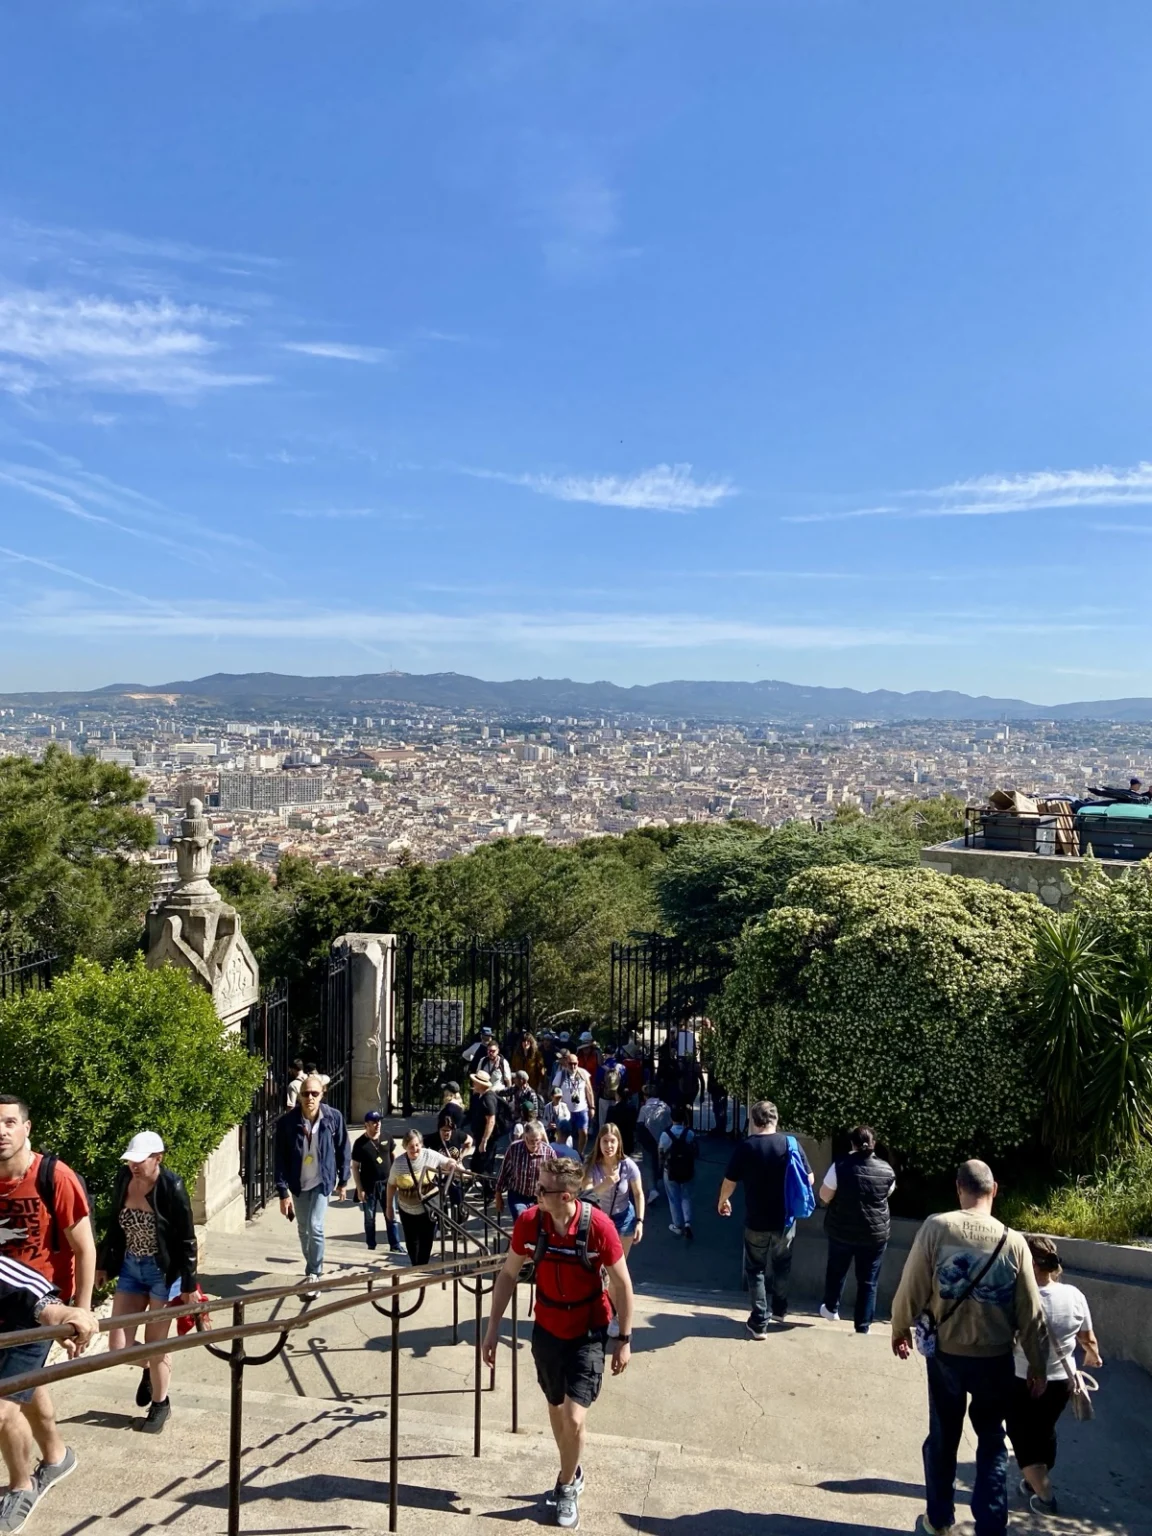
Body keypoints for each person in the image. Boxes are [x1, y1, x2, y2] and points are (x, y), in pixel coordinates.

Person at [891, 1159, 1048, 1536]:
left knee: (943, 1436)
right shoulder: (1013, 1242)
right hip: (995, 1358)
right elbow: (1031, 1312)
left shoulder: (937, 1227)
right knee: (993, 1440)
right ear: (994, 1191)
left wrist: (900, 1328)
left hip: (947, 1353)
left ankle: (940, 1520)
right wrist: (1038, 1367)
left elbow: (911, 1285)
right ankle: (991, 1525)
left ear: (958, 1188)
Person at [481, 1157, 634, 1530]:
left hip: (588, 1331)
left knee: (574, 1416)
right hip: (548, 1328)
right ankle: (572, 1466)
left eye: (541, 1190)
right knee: (555, 1406)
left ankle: (566, 1486)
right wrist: (491, 1328)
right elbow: (507, 1275)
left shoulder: (599, 1227)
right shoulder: (530, 1222)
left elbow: (622, 1285)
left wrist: (624, 1337)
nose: (534, 1195)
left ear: (564, 1195)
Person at [95, 1131, 199, 1434]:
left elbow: (187, 1240)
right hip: (130, 1268)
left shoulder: (172, 1186)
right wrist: (104, 1264)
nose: (134, 1166)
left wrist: (189, 1285)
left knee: (158, 1345)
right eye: (131, 1161)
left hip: (162, 1274)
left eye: (141, 1161)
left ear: (158, 1158)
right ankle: (151, 1372)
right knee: (117, 1347)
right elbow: (114, 1224)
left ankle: (161, 1403)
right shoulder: (123, 1179)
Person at [0, 1252, 98, 1534]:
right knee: (27, 1389)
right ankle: (57, 1457)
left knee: (4, 1409)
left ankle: (22, 1486)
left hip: (26, 1322)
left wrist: (60, 1312)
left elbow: (14, 1277)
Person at [1006, 1235, 1102, 1517]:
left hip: (1023, 1378)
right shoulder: (1074, 1294)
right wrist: (1092, 1354)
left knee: (1022, 1437)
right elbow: (1088, 1338)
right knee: (1044, 1431)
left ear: (1028, 1263)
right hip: (1063, 1381)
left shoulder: (1018, 1296)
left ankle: (1046, 1496)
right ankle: (1033, 1481)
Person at [717, 1100, 813, 1337]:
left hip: (756, 1220)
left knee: (755, 1268)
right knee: (782, 1265)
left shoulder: (746, 1147)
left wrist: (723, 1200)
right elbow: (809, 1179)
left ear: (753, 1121)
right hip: (785, 1220)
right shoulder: (791, 1144)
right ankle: (780, 1308)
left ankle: (760, 1321)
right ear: (775, 1120)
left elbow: (730, 1180)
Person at [0, 1097, 95, 1313]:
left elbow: (84, 1248)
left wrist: (82, 1311)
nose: (2, 1131)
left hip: (43, 1307)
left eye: (10, 1123)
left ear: (27, 1128)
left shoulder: (55, 1176)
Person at [274, 1074, 350, 1297]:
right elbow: (280, 1159)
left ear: (322, 1094)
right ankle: (312, 1266)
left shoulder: (333, 1118)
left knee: (315, 1227)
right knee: (303, 1229)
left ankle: (314, 1272)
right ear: (299, 1096)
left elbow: (343, 1148)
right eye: (305, 1094)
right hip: (298, 1183)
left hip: (322, 1181)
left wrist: (343, 1181)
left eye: (314, 1094)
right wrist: (282, 1192)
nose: (310, 1098)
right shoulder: (287, 1123)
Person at [818, 1126, 896, 1333]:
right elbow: (886, 1193)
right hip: (874, 1233)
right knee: (868, 1280)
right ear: (874, 1144)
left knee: (836, 1270)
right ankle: (863, 1325)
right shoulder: (887, 1170)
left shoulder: (840, 1166)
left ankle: (831, 1307)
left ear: (852, 1144)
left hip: (841, 1229)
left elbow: (825, 1196)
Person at [384, 1129, 460, 1266]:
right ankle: (415, 1265)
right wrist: (389, 1207)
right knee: (412, 1242)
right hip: (407, 1211)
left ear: (421, 1144)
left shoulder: (429, 1155)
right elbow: (391, 1185)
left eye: (417, 1145)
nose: (415, 1149)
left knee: (427, 1240)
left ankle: (422, 1266)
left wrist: (451, 1163)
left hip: (428, 1210)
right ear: (405, 1147)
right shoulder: (398, 1164)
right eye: (411, 1146)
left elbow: (446, 1161)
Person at [583, 1123, 645, 1277]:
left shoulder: (628, 1165)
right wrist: (605, 1184)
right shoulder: (592, 1165)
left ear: (619, 1143)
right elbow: (586, 1193)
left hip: (624, 1219)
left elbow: (638, 1194)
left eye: (612, 1141)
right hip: (599, 1220)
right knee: (598, 1265)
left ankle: (614, 1299)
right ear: (599, 1142)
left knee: (618, 1268)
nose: (609, 1146)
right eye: (605, 1141)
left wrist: (639, 1221)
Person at [351, 1111, 401, 1254]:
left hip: (387, 1184)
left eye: (379, 1121)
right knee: (369, 1218)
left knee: (390, 1215)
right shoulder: (360, 1143)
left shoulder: (386, 1137)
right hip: (369, 1186)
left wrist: (396, 1179)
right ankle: (371, 1245)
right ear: (366, 1125)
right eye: (374, 1122)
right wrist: (360, 1188)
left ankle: (395, 1244)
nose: (377, 1124)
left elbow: (393, 1157)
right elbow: (355, 1167)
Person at [494, 1120, 556, 1222]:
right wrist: (498, 1195)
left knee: (539, 1226)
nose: (535, 1144)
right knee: (522, 1219)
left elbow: (554, 1178)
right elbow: (504, 1172)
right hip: (518, 1195)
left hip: (539, 1197)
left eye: (538, 1140)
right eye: (531, 1141)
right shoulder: (514, 1149)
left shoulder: (549, 1152)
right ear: (525, 1137)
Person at [658, 1105, 697, 1240]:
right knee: (686, 1196)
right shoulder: (690, 1133)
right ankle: (687, 1222)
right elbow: (695, 1151)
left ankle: (677, 1225)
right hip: (687, 1169)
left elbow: (661, 1152)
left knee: (673, 1198)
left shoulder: (665, 1135)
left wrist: (660, 1166)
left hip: (670, 1170)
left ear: (671, 1119)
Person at [553, 1051, 595, 1155]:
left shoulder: (583, 1073)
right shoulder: (560, 1075)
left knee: (584, 1133)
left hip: (582, 1108)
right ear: (566, 1063)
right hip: (566, 1110)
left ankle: (580, 1153)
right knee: (565, 1134)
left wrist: (592, 1107)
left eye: (575, 1063)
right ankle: (567, 1153)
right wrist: (556, 1107)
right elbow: (554, 1091)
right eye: (570, 1063)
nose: (573, 1066)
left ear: (578, 1063)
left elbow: (589, 1090)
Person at [636, 1089, 672, 1207]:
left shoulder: (644, 1109)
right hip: (664, 1139)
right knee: (663, 1163)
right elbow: (669, 1124)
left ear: (646, 1096)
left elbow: (640, 1124)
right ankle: (667, 1187)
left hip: (649, 1141)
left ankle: (653, 1189)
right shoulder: (665, 1107)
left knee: (649, 1164)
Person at [467, 1069, 500, 1182]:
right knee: (479, 1166)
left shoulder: (488, 1098)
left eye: (475, 1082)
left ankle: (489, 1192)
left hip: (487, 1140)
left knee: (482, 1166)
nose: (473, 1084)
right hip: (482, 1137)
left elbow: (491, 1120)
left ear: (481, 1084)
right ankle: (487, 1192)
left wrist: (484, 1140)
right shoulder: (481, 1096)